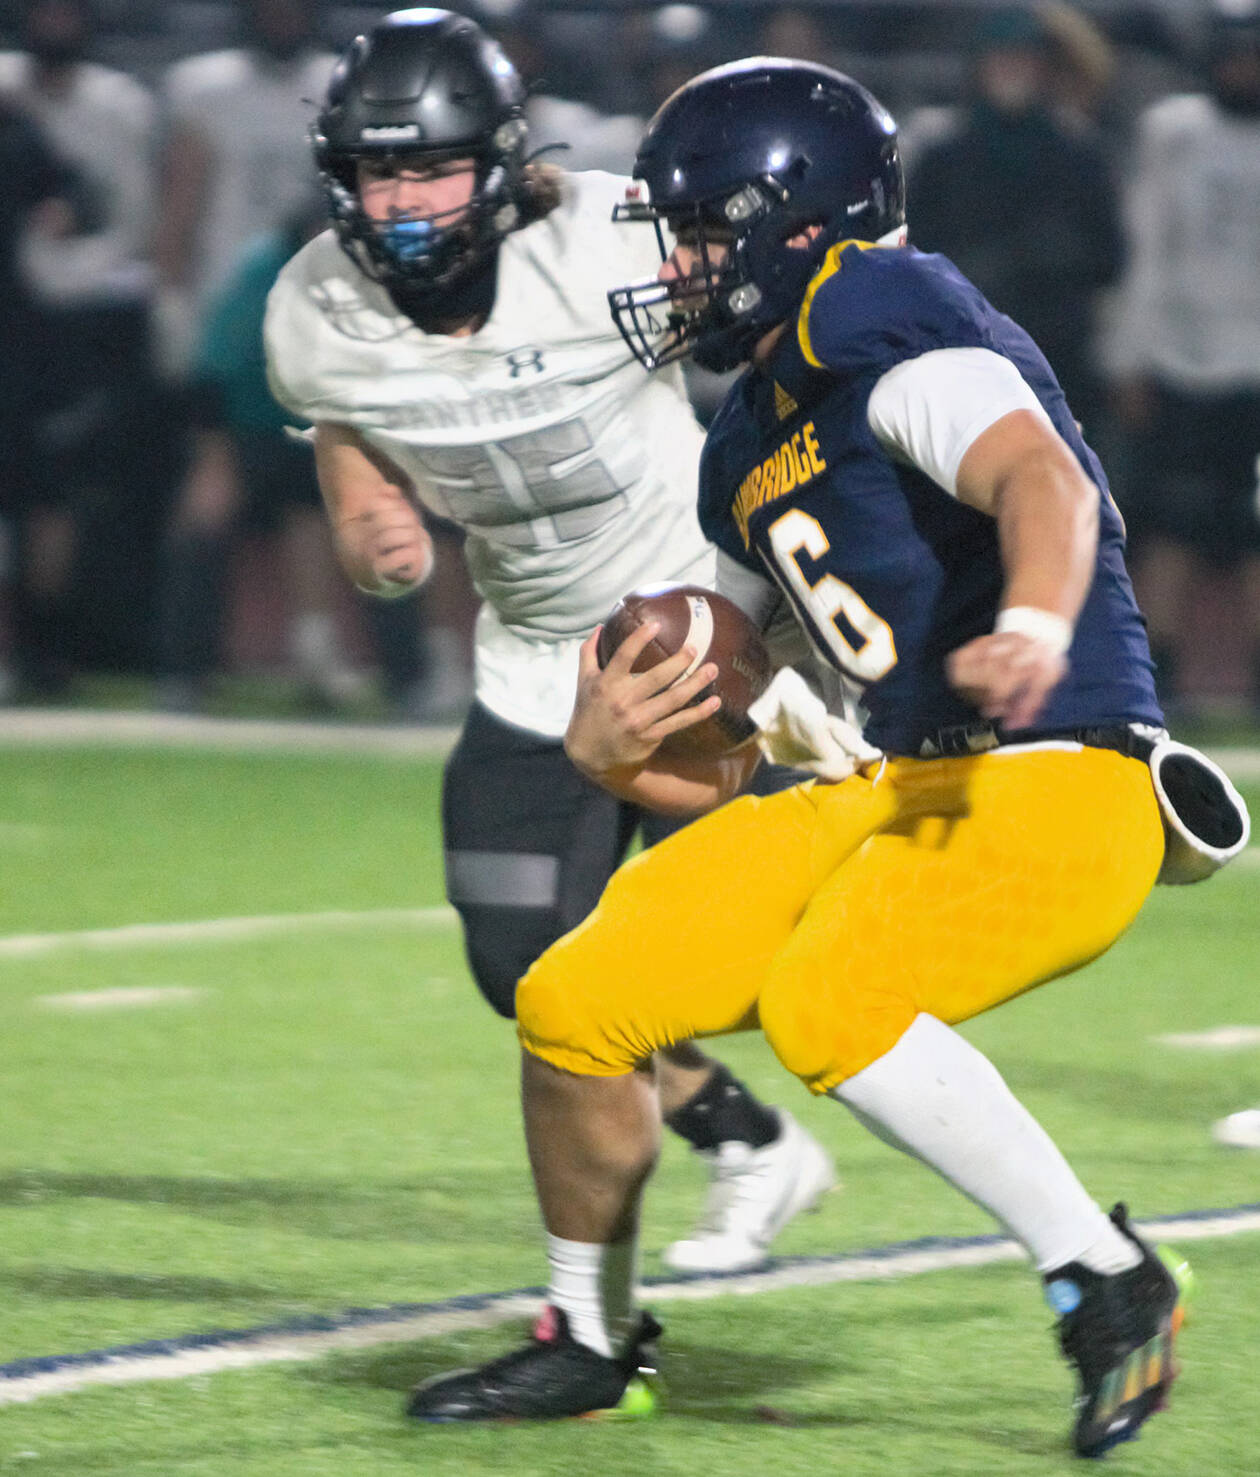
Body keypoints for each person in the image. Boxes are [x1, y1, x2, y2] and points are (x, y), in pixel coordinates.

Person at [404, 58, 1238, 1458]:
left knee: (832, 997)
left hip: (1060, 769)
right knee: (576, 996)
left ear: (795, 223)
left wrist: (1035, 623)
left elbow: (1040, 479)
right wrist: (612, 752)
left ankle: (1106, 1276)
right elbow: (722, 758)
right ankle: (588, 1341)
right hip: (893, 784)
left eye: (700, 234)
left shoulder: (878, 318)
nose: (677, 267)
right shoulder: (749, 433)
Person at [263, 10, 836, 1275]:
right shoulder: (313, 309)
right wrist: (366, 521)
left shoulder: (612, 239)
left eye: (431, 167)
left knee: (761, 954)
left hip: (703, 624)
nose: (402, 200)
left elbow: (788, 312)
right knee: (519, 958)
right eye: (376, 171)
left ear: (501, 162)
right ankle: (747, 1143)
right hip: (536, 656)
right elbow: (346, 427)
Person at [1106, 0, 1260, 717]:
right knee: (1169, 527)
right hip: (1181, 363)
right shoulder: (1175, 132)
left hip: (1254, 366)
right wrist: (1131, 355)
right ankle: (1155, 677)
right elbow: (1146, 245)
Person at [0, 0, 158, 695]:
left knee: (48, 498)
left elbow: (82, 199)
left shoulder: (29, 132)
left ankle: (41, 650)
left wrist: (63, 217)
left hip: (45, 336)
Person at [908, 5, 1124, 441]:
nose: (1013, 71)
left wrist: (1056, 260)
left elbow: (1110, 257)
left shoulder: (1078, 154)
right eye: (1002, 58)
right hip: (961, 355)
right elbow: (912, 253)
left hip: (1056, 358)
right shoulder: (942, 156)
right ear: (979, 66)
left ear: (1044, 69)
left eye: (1025, 59)